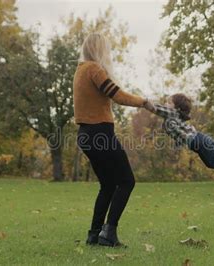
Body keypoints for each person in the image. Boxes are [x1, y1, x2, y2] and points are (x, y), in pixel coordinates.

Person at [73, 33, 155, 247]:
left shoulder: (80, 71)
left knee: (108, 185)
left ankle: (94, 235)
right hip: (100, 134)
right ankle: (108, 234)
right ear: (101, 50)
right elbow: (117, 96)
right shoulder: (94, 69)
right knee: (127, 181)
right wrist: (144, 102)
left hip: (85, 136)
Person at [146, 93, 214, 171]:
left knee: (212, 162)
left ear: (177, 108)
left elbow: (155, 108)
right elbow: (178, 134)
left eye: (169, 102)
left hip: (197, 141)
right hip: (200, 137)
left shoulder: (172, 113)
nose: (165, 104)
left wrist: (144, 103)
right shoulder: (175, 116)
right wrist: (177, 145)